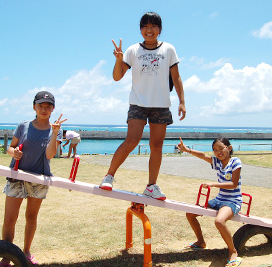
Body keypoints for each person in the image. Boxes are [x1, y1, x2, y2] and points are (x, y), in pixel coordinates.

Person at [99, 12, 186, 200]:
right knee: (131, 140)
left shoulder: (169, 49)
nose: (149, 30)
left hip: (161, 104)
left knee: (156, 146)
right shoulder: (132, 50)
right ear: (140, 30)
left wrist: (182, 101)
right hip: (138, 102)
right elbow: (116, 76)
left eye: (154, 26)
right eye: (145, 26)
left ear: (160, 30)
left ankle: (151, 186)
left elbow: (176, 77)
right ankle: (109, 176)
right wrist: (118, 59)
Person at [0, 91, 66, 266]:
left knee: (31, 216)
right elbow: (10, 148)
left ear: (53, 109)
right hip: (17, 176)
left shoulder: (56, 129)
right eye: (41, 106)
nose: (44, 109)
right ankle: (6, 257)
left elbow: (50, 155)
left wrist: (55, 132)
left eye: (48, 106)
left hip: (40, 178)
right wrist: (15, 153)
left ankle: (26, 252)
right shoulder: (23, 125)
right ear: (34, 107)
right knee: (9, 219)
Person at [176, 137, 243, 267]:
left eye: (221, 148)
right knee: (190, 213)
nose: (218, 152)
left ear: (229, 148)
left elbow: (234, 184)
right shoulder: (217, 162)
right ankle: (201, 242)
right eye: (215, 150)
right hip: (219, 199)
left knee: (219, 221)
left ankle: (233, 251)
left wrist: (213, 184)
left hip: (232, 201)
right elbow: (203, 156)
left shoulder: (235, 162)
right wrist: (187, 150)